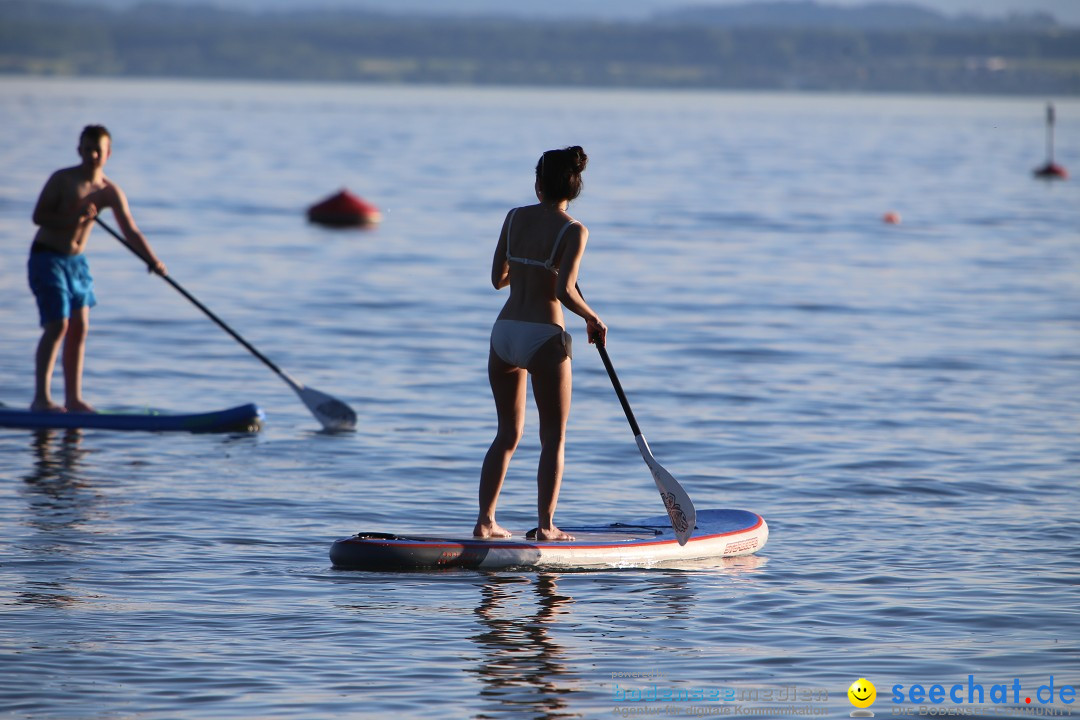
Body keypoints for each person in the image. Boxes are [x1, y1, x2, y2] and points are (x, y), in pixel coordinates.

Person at [474, 146, 607, 542]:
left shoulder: (513, 218)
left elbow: (499, 279)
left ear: (537, 184)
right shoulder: (574, 230)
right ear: (575, 187)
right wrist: (593, 317)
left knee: (507, 434)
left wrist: (530, 266)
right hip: (544, 335)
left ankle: (485, 522)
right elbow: (565, 292)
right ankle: (546, 527)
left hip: (504, 332)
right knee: (553, 437)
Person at [28, 124, 167, 413]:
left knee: (80, 327)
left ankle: (73, 400)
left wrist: (152, 261)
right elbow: (39, 217)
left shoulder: (110, 192)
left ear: (108, 154)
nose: (92, 155)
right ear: (79, 150)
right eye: (87, 149)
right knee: (58, 325)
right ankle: (41, 399)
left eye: (98, 150)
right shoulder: (63, 180)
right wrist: (74, 216)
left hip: (76, 263)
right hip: (48, 257)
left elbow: (130, 230)